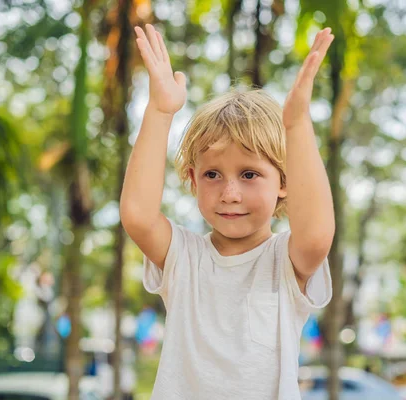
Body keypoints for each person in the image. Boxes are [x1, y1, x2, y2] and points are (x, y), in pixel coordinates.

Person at [120, 23, 335, 400]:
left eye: (250, 174)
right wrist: (159, 110)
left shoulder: (284, 261)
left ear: (284, 181)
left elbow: (317, 234)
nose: (230, 193)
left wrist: (298, 126)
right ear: (193, 178)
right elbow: (138, 215)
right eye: (213, 174)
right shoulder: (184, 257)